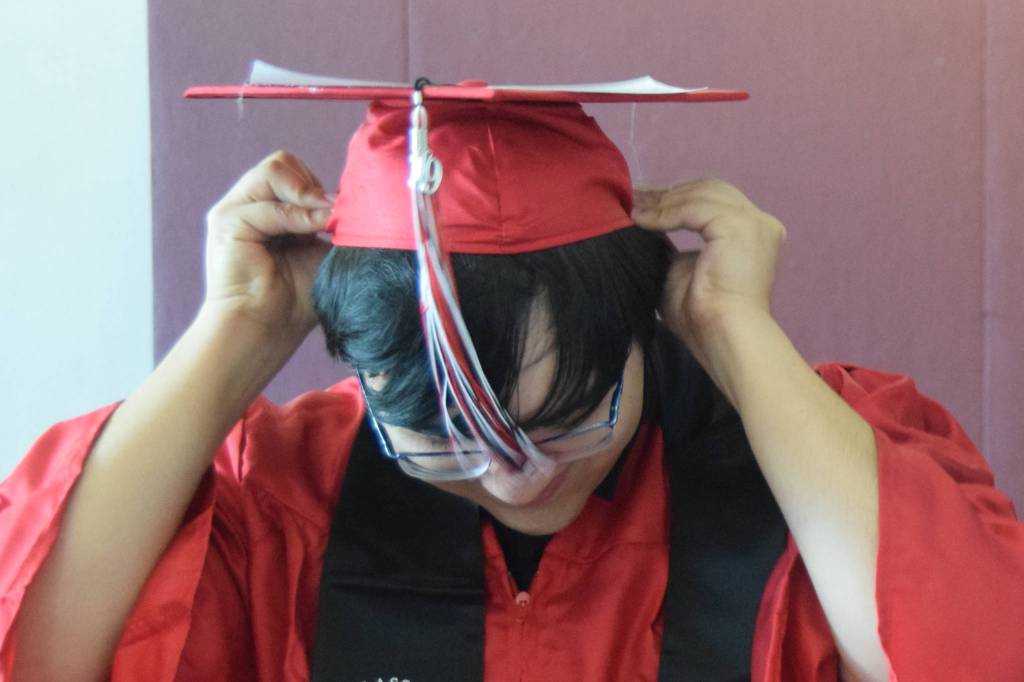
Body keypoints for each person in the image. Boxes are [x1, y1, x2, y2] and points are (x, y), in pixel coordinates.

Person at [2, 92, 1023, 682]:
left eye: (570, 416)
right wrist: (231, 337)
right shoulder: (277, 490)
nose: (514, 473)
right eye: (444, 436)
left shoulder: (812, 451)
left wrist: (740, 336)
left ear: (640, 322)